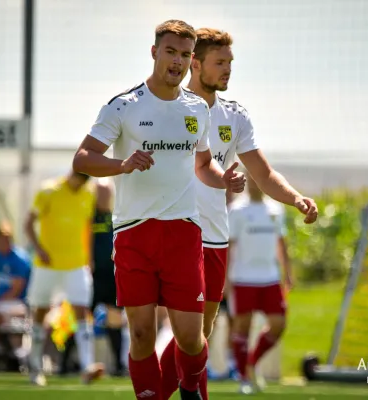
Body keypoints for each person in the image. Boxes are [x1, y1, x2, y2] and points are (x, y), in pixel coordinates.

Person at [72, 19, 245, 400]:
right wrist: (122, 164)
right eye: (171, 52)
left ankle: (188, 386)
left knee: (190, 337)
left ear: (191, 61)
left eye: (185, 55)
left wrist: (224, 180)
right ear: (154, 53)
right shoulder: (124, 106)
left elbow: (203, 164)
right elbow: (83, 158)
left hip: (183, 232)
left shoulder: (197, 108)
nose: (177, 61)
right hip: (134, 233)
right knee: (141, 334)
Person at [158, 27, 318, 399]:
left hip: (216, 235)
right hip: (175, 232)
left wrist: (296, 199)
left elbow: (263, 173)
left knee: (200, 334)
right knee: (187, 330)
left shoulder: (236, 117)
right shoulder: (166, 107)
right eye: (220, 62)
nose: (228, 69)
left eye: (231, 62)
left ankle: (169, 392)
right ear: (195, 64)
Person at [24, 171, 103, 386]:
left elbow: (88, 229)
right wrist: (39, 250)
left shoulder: (89, 194)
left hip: (76, 266)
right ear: (73, 174)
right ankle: (35, 368)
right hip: (47, 266)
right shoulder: (48, 191)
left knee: (82, 311)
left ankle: (87, 367)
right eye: (81, 179)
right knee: (40, 312)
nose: (83, 184)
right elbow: (28, 224)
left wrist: (90, 259)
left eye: (87, 180)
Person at [227, 173, 293, 394]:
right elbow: (229, 246)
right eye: (252, 178)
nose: (256, 182)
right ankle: (244, 379)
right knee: (241, 329)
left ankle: (252, 363)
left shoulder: (276, 210)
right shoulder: (237, 210)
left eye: (259, 178)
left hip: (270, 278)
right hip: (244, 278)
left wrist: (288, 273)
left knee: (279, 323)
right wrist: (225, 279)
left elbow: (281, 243)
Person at [90, 179, 127, 376]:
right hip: (92, 276)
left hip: (111, 277)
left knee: (115, 320)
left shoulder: (116, 218)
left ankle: (118, 365)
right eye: (100, 193)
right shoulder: (88, 218)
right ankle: (65, 363)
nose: (103, 197)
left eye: (107, 194)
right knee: (80, 318)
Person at [0, 221, 31, 325]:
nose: (5, 242)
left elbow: (16, 290)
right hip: (1, 302)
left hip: (19, 302)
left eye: (7, 238)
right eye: (0, 239)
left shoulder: (19, 259)